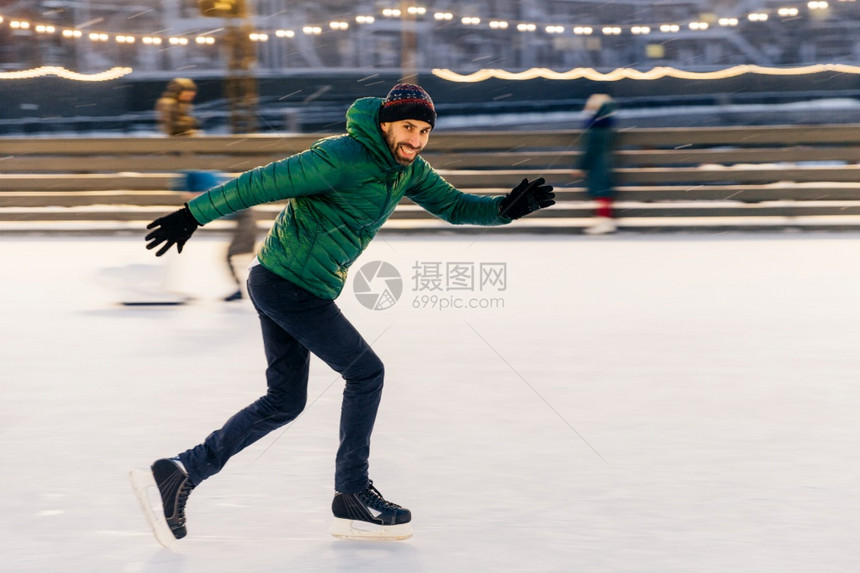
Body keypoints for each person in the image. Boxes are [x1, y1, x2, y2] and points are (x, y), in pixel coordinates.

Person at [140, 83, 555, 542]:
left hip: (294, 285)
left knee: (284, 401)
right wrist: (193, 214)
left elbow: (454, 206)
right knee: (366, 373)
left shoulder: (408, 170)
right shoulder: (342, 157)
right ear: (384, 124)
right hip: (288, 287)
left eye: (423, 131)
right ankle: (351, 493)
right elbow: (261, 181)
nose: (415, 140)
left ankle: (182, 471)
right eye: (407, 128)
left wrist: (506, 209)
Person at [577, 94, 618, 235]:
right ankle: (605, 221)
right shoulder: (607, 126)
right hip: (606, 163)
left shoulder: (595, 129)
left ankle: (604, 221)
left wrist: (580, 166)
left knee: (601, 193)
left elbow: (590, 150)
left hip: (597, 165)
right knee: (603, 193)